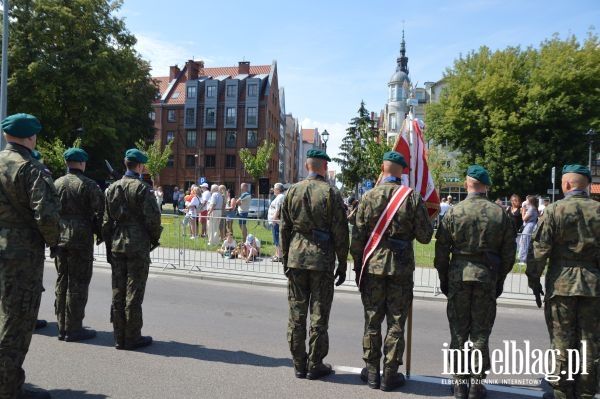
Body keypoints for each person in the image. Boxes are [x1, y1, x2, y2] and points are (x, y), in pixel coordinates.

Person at [350, 151, 433, 391]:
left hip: (373, 266)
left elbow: (357, 238)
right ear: (402, 171)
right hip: (401, 268)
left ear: (382, 168)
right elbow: (426, 237)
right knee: (397, 322)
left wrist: (358, 266)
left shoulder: (368, 197)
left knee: (372, 319)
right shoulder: (412, 198)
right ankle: (389, 374)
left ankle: (372, 372)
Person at [434, 165, 516, 399]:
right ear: (486, 185)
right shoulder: (500, 214)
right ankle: (476, 385)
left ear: (466, 184)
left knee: (459, 332)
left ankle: (460, 384)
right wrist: (499, 278)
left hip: (459, 276)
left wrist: (444, 277)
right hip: (486, 277)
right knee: (480, 334)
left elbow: (441, 252)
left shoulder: (453, 212)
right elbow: (509, 254)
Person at [526, 165, 600, 399]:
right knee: (590, 341)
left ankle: (561, 391)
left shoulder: (554, 211)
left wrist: (533, 279)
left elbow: (540, 250)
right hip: (594, 284)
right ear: (586, 185)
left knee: (561, 340)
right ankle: (587, 391)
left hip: (561, 284)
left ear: (566, 185)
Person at [0, 113, 61, 399]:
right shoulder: (31, 169)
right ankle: (9, 388)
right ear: (31, 137)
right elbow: (47, 217)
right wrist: (56, 242)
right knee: (17, 320)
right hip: (20, 255)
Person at [281, 149, 349, 380]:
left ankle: (299, 363)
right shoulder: (331, 193)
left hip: (296, 258)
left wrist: (285, 258)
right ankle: (315, 363)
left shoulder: (292, 191)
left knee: (296, 314)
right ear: (322, 167)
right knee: (319, 315)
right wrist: (342, 262)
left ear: (308, 166)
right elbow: (341, 231)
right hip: (322, 259)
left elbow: (284, 228)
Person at [102, 148, 163, 351]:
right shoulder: (142, 189)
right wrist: (153, 239)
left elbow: (105, 222)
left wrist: (110, 242)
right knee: (134, 292)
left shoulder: (112, 188)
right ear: (139, 166)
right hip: (137, 244)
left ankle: (119, 336)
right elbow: (153, 219)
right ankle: (132, 336)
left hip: (118, 243)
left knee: (118, 291)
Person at [53, 148, 105, 342]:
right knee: (78, 283)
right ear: (82, 163)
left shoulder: (55, 183)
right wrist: (101, 235)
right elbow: (101, 214)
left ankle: (61, 326)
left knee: (62, 281)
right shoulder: (89, 185)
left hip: (60, 236)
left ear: (67, 163)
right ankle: (74, 328)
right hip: (81, 238)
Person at [517, 195, 539, 265]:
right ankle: (524, 258)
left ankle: (523, 260)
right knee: (525, 241)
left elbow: (524, 218)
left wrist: (523, 210)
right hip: (530, 225)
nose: (526, 201)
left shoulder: (532, 209)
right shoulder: (533, 208)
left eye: (527, 200)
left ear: (530, 201)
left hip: (529, 226)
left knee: (525, 241)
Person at [267, 182, 285, 262]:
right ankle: (277, 254)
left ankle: (279, 256)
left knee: (277, 238)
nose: (273, 189)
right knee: (276, 238)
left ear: (278, 189)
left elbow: (278, 209)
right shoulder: (278, 197)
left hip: (276, 222)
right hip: (275, 221)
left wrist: (274, 220)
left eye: (274, 188)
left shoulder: (280, 197)